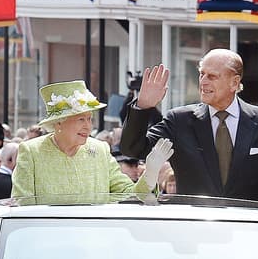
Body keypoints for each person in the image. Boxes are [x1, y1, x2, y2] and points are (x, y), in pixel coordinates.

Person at [121, 50, 258, 205]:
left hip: (243, 228)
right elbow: (133, 148)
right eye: (201, 74)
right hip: (194, 229)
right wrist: (143, 106)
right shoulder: (179, 121)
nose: (203, 81)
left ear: (234, 82)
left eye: (212, 76)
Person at [13, 81, 168, 202]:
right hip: (47, 239)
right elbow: (21, 209)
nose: (88, 126)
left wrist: (151, 173)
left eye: (90, 119)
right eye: (81, 119)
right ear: (59, 122)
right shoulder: (31, 152)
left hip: (94, 240)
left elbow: (132, 197)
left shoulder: (100, 150)